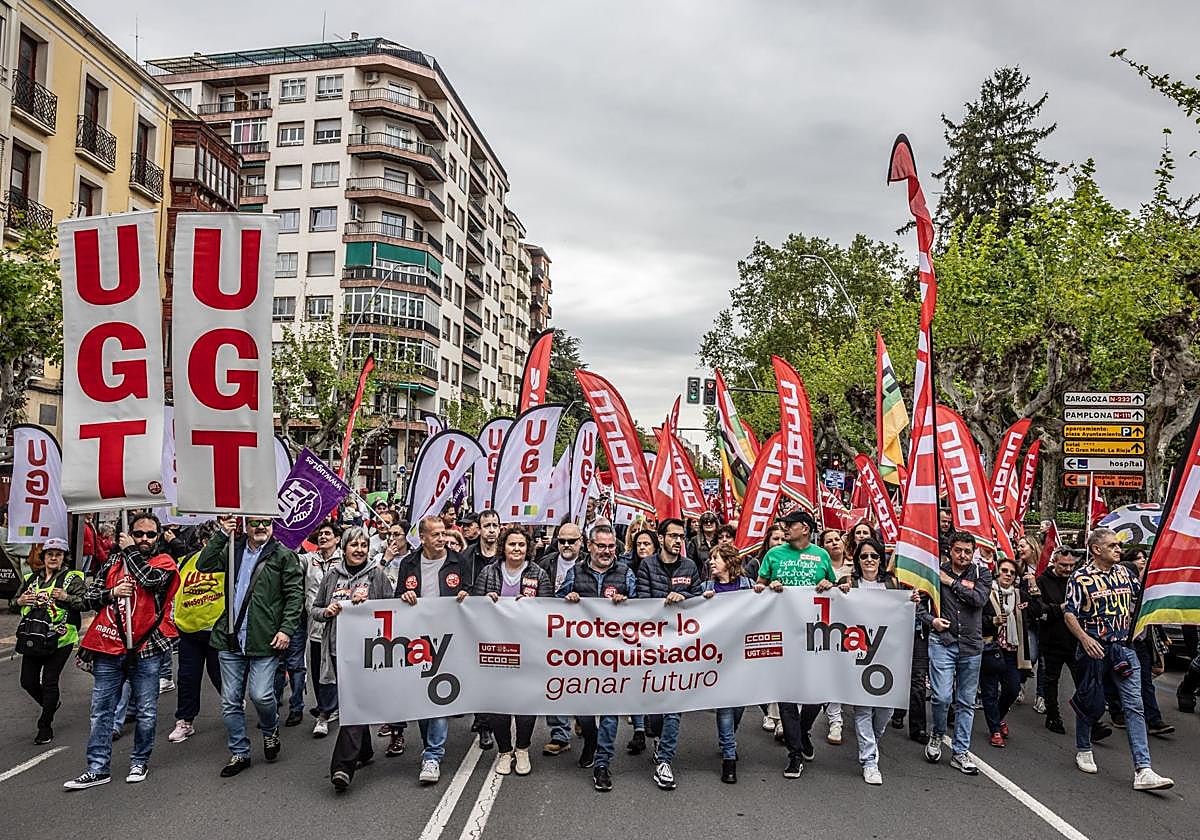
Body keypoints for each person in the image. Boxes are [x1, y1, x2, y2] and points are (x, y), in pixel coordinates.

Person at [64, 515, 180, 790]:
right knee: (101, 710)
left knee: (147, 710)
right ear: (127, 534)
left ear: (158, 537)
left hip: (147, 647)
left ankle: (139, 760)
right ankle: (97, 767)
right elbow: (88, 599)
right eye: (138, 534)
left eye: (150, 535)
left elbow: (151, 581)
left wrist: (129, 551)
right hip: (109, 646)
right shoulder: (112, 564)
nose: (144, 539)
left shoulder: (163, 563)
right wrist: (112, 592)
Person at [1063, 528, 1173, 790]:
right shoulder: (1081, 578)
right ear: (1096, 549)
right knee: (1090, 700)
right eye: (1112, 545)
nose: (1118, 549)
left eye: (1118, 546)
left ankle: (1143, 769)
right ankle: (1083, 747)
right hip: (1094, 651)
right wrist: (1084, 639)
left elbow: (1142, 595)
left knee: (1134, 706)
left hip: (1123, 649)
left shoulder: (1125, 572)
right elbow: (1069, 613)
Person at [198, 516, 303, 778]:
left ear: (272, 526)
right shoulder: (232, 549)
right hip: (230, 638)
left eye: (266, 523)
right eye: (255, 523)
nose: (260, 528)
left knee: (261, 695)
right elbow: (204, 564)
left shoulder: (282, 555)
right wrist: (223, 533)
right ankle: (240, 752)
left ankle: (270, 731)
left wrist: (286, 629)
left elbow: (294, 595)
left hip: (264, 639)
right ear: (246, 526)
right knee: (230, 701)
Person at [756, 509, 836, 778]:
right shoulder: (773, 555)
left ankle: (802, 730)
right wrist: (769, 587)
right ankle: (794, 754)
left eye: (789, 526)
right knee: (787, 697)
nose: (784, 530)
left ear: (804, 528)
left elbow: (835, 595)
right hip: (782, 635)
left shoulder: (821, 555)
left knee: (819, 693)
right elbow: (758, 589)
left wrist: (828, 585)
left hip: (814, 636)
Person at [556, 523, 636, 790]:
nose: (606, 551)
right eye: (601, 546)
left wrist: (628, 601)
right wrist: (568, 598)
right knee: (583, 710)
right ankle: (590, 739)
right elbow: (554, 605)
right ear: (589, 546)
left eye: (611, 546)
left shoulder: (625, 572)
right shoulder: (574, 572)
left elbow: (644, 608)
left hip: (614, 656)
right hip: (582, 656)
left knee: (610, 712)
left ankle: (603, 763)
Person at [312, 527, 392, 790]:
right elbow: (313, 609)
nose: (359, 550)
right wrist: (329, 611)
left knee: (353, 704)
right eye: (354, 545)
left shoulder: (377, 575)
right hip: (337, 651)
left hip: (368, 652)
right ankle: (365, 751)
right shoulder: (332, 576)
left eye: (364, 545)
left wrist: (368, 607)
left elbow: (392, 610)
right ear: (344, 548)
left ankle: (342, 766)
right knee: (351, 703)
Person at [395, 516, 471, 783]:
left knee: (439, 693)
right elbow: (397, 599)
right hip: (418, 639)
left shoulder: (458, 562)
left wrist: (465, 595)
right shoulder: (409, 563)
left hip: (449, 638)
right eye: (436, 535)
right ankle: (430, 744)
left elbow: (470, 592)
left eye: (443, 534)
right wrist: (404, 597)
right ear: (423, 538)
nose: (442, 539)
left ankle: (432, 756)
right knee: (421, 696)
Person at [474, 526, 554, 776]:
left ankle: (522, 749)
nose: (516, 549)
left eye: (521, 545)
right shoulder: (489, 572)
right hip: (496, 646)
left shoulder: (538, 573)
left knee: (524, 703)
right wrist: (486, 600)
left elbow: (549, 610)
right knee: (499, 702)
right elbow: (474, 609)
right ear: (503, 547)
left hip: (528, 647)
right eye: (512, 544)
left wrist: (533, 605)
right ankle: (504, 751)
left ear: (528, 548)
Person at [635, 518, 704, 790]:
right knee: (654, 709)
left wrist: (684, 599)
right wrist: (666, 601)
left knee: (674, 708)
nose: (678, 541)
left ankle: (664, 761)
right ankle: (657, 738)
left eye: (681, 536)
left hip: (680, 648)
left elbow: (699, 601)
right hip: (652, 648)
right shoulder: (647, 565)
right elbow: (642, 601)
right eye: (673, 535)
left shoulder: (689, 566)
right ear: (661, 538)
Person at [838, 537, 913, 784]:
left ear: (880, 559)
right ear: (857, 560)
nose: (869, 560)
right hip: (859, 655)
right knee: (863, 709)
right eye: (864, 556)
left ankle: (871, 742)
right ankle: (870, 760)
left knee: (886, 709)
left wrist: (911, 602)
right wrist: (839, 592)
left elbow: (902, 613)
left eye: (874, 556)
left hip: (888, 655)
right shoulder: (849, 583)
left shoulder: (892, 583)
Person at [920, 531, 990, 776]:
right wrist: (932, 621)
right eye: (958, 550)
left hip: (971, 646)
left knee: (966, 702)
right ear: (950, 550)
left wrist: (951, 582)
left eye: (968, 551)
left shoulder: (982, 573)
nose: (963, 555)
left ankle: (960, 751)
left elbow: (979, 599)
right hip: (943, 642)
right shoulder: (933, 572)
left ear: (974, 553)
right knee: (940, 697)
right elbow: (919, 605)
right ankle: (938, 734)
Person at [15, 537, 85, 744]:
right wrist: (19, 601)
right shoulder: (31, 578)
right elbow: (13, 603)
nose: (54, 558)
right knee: (27, 681)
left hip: (61, 639)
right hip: (33, 638)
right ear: (43, 556)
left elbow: (85, 603)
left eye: (58, 554)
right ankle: (50, 703)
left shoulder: (72, 578)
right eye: (50, 554)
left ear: (64, 557)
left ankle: (44, 725)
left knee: (49, 681)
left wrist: (66, 597)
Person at [701, 542, 753, 784]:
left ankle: (728, 738)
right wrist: (702, 601)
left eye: (716, 558)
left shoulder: (748, 586)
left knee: (739, 704)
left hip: (742, 653)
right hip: (718, 654)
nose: (711, 562)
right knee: (725, 704)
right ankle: (729, 759)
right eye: (711, 558)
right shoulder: (707, 587)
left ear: (730, 562)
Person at [168, 525, 225, 744]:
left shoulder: (228, 560)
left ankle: (233, 706)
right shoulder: (186, 561)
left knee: (220, 675)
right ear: (203, 542)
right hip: (189, 630)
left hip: (217, 630)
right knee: (187, 678)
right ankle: (185, 721)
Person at [538, 521, 587, 756]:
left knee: (580, 679)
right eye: (562, 541)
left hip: (583, 633)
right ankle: (559, 733)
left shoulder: (589, 563)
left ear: (581, 541)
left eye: (571, 541)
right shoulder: (545, 563)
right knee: (555, 680)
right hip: (553, 630)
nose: (566, 545)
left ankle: (581, 716)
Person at [1119, 547, 1174, 735]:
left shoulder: (1147, 587)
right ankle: (1115, 709)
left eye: (1144, 558)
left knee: (1144, 681)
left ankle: (1153, 720)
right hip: (1118, 642)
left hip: (1140, 642)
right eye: (1139, 558)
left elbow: (1152, 614)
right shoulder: (1117, 587)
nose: (1142, 561)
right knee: (1111, 678)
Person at [981, 557, 1034, 748]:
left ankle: (998, 716)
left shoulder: (1020, 596)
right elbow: (978, 619)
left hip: (1012, 650)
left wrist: (1034, 589)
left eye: (1012, 573)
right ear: (998, 572)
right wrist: (993, 621)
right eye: (1004, 571)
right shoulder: (986, 593)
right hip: (991, 648)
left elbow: (1037, 611)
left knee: (1012, 689)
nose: (1008, 575)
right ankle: (995, 729)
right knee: (989, 691)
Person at [302, 521, 342, 737]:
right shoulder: (309, 560)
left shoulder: (346, 560)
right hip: (316, 628)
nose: (323, 537)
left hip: (341, 629)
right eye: (320, 534)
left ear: (337, 539)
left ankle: (332, 709)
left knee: (340, 671)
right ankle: (325, 709)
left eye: (328, 534)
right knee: (319, 672)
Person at [1037, 546, 1080, 735]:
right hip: (1051, 641)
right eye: (1064, 565)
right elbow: (1040, 611)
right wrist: (1061, 608)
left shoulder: (1077, 581)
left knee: (1083, 681)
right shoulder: (1042, 582)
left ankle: (1089, 719)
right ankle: (1053, 716)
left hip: (1075, 640)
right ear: (1054, 562)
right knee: (1051, 680)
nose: (1068, 569)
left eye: (1071, 565)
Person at [819, 527, 852, 745]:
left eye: (837, 539)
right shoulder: (817, 566)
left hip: (847, 628)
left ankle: (836, 720)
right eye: (828, 541)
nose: (834, 543)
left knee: (837, 675)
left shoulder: (854, 566)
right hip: (821, 626)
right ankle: (831, 720)